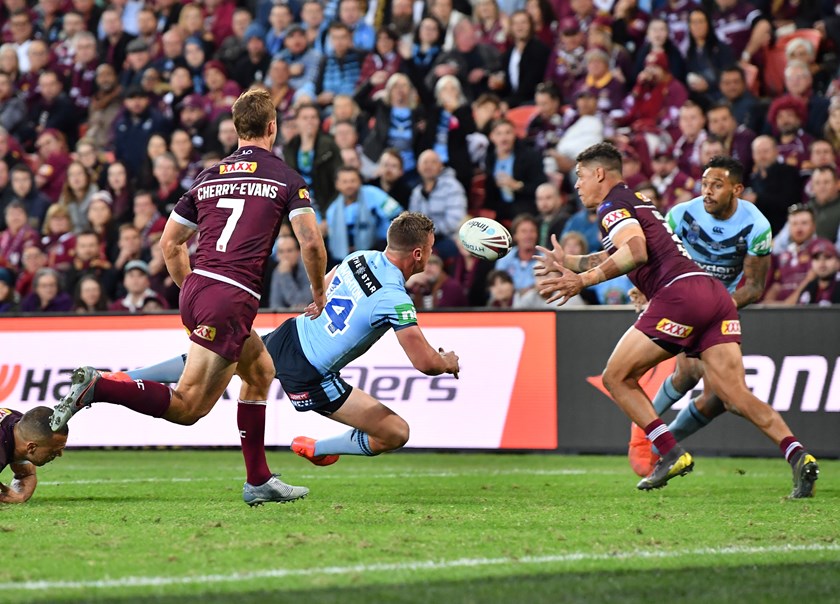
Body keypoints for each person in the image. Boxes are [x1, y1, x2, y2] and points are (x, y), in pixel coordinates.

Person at [52, 89, 328, 506]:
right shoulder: (285, 178)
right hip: (230, 296)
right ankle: (99, 386)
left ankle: (259, 480)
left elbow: (170, 244)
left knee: (259, 372)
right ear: (273, 128)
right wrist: (319, 292)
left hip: (199, 286)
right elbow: (310, 243)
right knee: (189, 408)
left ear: (236, 130)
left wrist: (196, 291)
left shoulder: (208, 176)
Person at [535, 142, 818, 498]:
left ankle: (669, 451)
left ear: (599, 174)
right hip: (714, 295)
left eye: (579, 177)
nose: (576, 185)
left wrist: (583, 281)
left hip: (679, 296)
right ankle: (798, 455)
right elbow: (622, 252)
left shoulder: (611, 207)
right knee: (733, 395)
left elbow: (634, 253)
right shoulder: (635, 200)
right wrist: (571, 263)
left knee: (616, 377)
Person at [109, 213, 460, 469]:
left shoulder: (360, 257)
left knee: (221, 357)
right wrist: (448, 361)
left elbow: (327, 280)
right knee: (396, 432)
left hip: (291, 333)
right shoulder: (396, 300)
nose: (429, 257)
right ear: (417, 254)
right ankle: (320, 447)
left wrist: (320, 297)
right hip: (311, 374)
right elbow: (425, 363)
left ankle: (128, 376)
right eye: (428, 250)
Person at [627, 156, 773, 477]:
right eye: (704, 184)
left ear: (737, 189)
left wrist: (717, 307)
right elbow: (655, 259)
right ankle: (646, 434)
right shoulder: (681, 215)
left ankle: (659, 444)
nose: (706, 191)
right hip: (681, 301)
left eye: (716, 185)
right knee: (690, 370)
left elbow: (754, 287)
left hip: (721, 308)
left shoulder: (758, 226)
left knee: (716, 399)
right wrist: (642, 287)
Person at [1, 406, 68, 504]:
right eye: (54, 451)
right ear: (31, 448)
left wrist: (20, 496)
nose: (60, 454)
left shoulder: (20, 426)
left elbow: (26, 474)